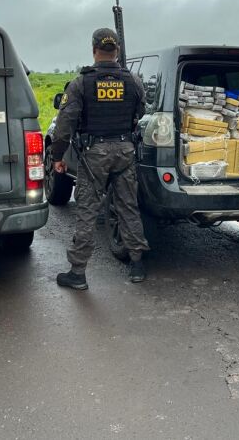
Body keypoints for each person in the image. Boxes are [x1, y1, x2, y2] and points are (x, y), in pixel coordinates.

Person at [50, 28, 150, 290]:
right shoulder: (133, 81)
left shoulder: (81, 82)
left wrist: (57, 157)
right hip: (125, 151)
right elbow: (141, 112)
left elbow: (63, 126)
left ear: (94, 49)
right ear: (116, 50)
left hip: (94, 155)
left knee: (86, 210)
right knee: (128, 206)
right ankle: (137, 265)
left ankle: (78, 273)